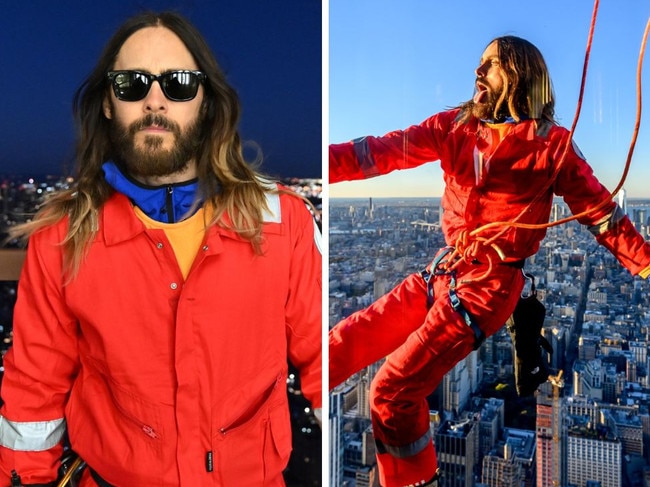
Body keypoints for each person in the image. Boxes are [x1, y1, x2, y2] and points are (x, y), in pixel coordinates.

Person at [0, 11, 322, 487]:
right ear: (109, 103)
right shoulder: (63, 239)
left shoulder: (283, 224)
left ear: (206, 102)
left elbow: (327, 362)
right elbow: (33, 396)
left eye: (179, 83)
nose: (155, 100)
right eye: (132, 84)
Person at [329, 35, 650, 487]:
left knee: (391, 390)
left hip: (488, 287)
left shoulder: (551, 146)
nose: (478, 72)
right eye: (479, 64)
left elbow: (601, 214)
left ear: (521, 75)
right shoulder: (455, 127)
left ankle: (411, 481)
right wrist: (320, 166)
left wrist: (645, 261)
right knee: (341, 344)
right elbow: (378, 152)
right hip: (446, 269)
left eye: (492, 65)